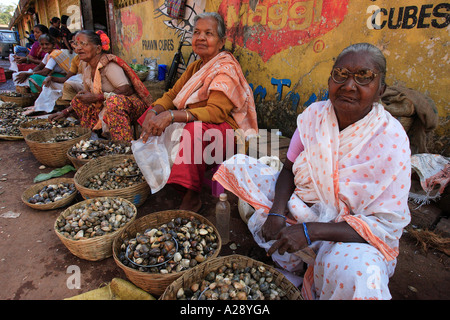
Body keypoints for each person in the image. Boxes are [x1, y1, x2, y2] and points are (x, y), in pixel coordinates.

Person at [213, 43, 412, 300]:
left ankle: (317, 264)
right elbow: (288, 169)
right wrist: (277, 210)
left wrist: (310, 232)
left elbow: (384, 226)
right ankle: (295, 266)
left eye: (364, 77)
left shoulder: (390, 138)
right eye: (341, 74)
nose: (349, 85)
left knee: (358, 273)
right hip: (304, 208)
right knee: (239, 167)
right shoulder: (314, 116)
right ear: (330, 80)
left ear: (380, 90)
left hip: (348, 235)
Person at [137, 12, 258, 212]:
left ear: (221, 42)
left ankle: (191, 195)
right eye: (196, 32)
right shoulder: (196, 67)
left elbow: (216, 112)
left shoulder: (225, 69)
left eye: (208, 33)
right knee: (150, 116)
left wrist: (171, 116)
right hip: (199, 121)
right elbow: (172, 95)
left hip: (228, 134)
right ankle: (165, 175)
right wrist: (153, 111)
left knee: (193, 131)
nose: (200, 38)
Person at [49, 30, 152, 142]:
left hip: (131, 105)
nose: (78, 49)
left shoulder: (109, 65)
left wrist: (97, 97)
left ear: (98, 49)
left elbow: (126, 90)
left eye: (83, 44)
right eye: (76, 44)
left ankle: (123, 146)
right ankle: (93, 136)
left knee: (114, 102)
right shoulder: (87, 69)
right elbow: (86, 96)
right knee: (78, 100)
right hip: (107, 104)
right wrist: (64, 112)